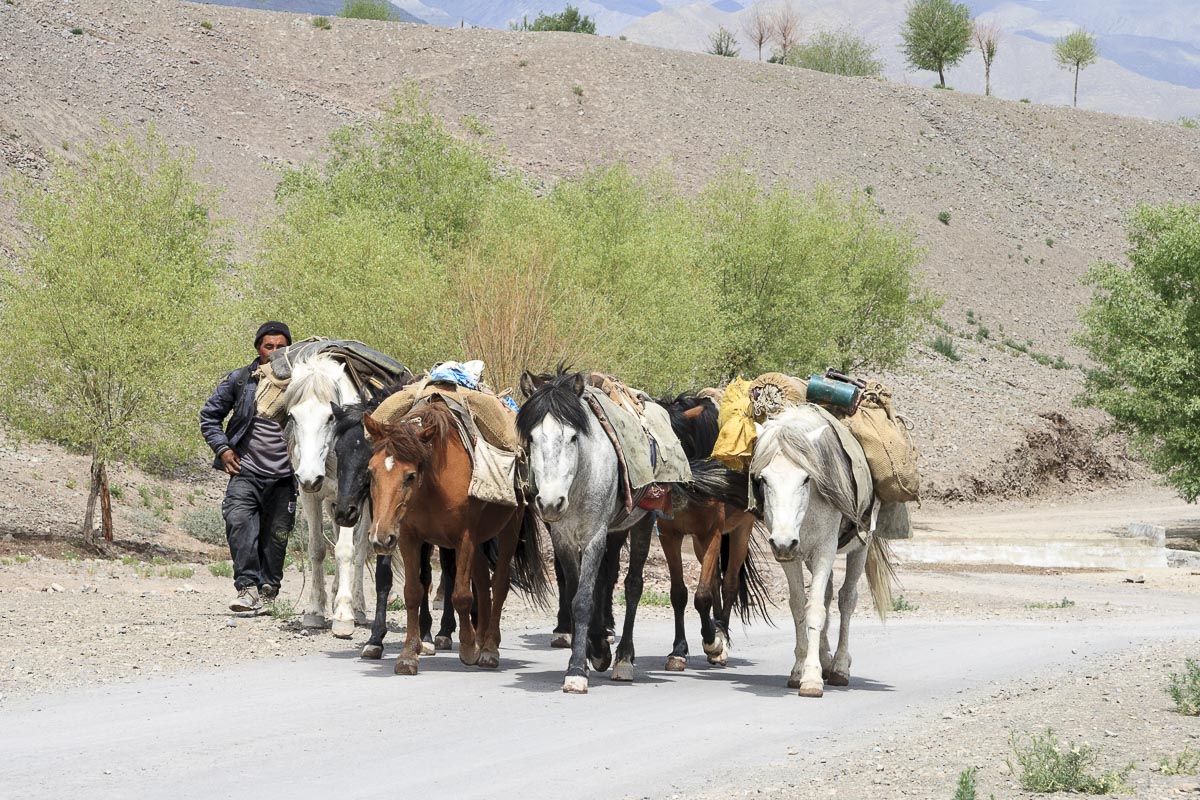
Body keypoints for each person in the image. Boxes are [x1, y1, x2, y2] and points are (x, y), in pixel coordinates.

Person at [200, 321, 296, 613]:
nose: (276, 352)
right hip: (246, 471)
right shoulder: (242, 380)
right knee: (239, 524)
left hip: (285, 477)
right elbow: (209, 416)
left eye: (282, 347)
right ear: (258, 348)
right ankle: (247, 589)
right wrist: (224, 448)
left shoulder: (303, 383)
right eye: (270, 346)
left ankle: (268, 592)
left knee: (277, 537)